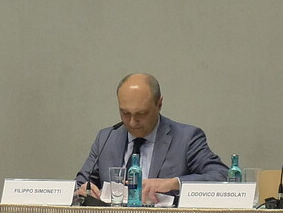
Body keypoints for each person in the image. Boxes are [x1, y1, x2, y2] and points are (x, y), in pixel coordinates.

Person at [75, 73, 228, 204]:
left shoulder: (186, 138)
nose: (132, 122)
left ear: (159, 104)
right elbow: (80, 186)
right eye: (125, 113)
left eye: (141, 114)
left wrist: (173, 183)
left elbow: (222, 176)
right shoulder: (106, 138)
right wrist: (84, 190)